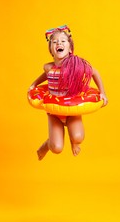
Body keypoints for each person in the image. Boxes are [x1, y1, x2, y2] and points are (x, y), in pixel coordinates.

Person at [29, 25, 108, 160]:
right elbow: (46, 76)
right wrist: (34, 84)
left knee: (78, 137)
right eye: (55, 42)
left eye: (63, 41)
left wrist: (102, 92)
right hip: (55, 112)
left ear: (70, 48)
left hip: (72, 110)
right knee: (56, 148)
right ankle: (45, 146)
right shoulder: (49, 67)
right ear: (51, 50)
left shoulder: (76, 66)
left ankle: (74, 141)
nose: (59, 43)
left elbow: (94, 72)